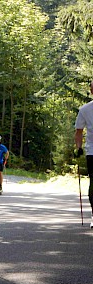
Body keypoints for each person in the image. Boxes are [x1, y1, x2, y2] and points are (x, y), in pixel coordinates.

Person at [74, 80, 93, 229]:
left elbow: (79, 132)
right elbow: (78, 131)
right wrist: (79, 147)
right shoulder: (85, 109)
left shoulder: (84, 109)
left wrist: (79, 147)